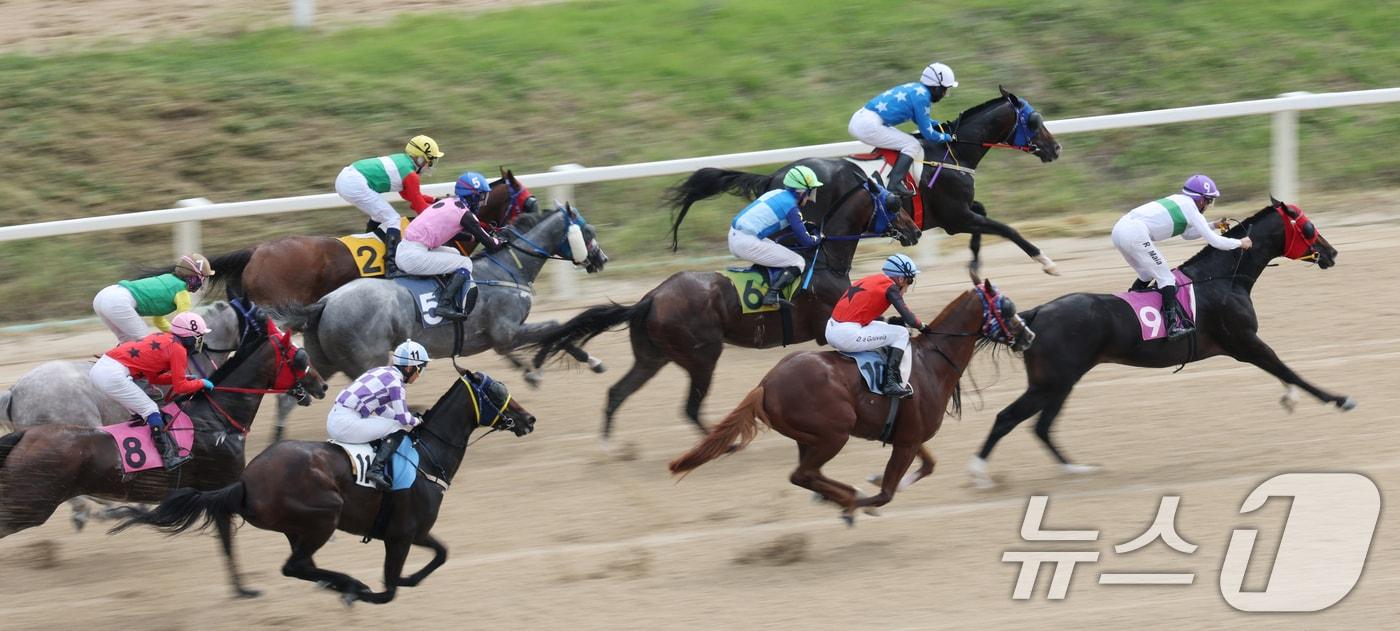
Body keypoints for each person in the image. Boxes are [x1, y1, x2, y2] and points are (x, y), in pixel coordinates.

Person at [1111, 174, 1252, 339]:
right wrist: (1240, 243)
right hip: (1134, 233)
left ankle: (1133, 307)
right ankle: (1173, 327)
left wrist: (1214, 225)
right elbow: (1215, 242)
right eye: (1209, 201)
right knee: (1167, 278)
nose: (1208, 205)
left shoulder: (1180, 200)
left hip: (1119, 230)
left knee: (1147, 274)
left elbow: (1187, 234)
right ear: (1201, 200)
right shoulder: (1191, 208)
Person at [88, 312, 214, 470]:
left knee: (144, 410)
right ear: (189, 337)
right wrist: (200, 383)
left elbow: (154, 379)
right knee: (151, 409)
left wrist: (185, 378)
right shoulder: (178, 349)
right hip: (112, 374)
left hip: (104, 368)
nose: (200, 341)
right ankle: (168, 457)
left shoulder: (164, 337)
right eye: (199, 337)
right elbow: (180, 387)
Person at [396, 171, 504, 319]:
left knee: (454, 253)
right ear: (472, 196)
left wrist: (471, 237)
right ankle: (443, 306)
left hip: (408, 249)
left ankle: (443, 290)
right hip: (413, 255)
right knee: (465, 263)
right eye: (481, 197)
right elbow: (491, 244)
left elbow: (445, 230)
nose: (482, 202)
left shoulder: (449, 202)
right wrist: (502, 240)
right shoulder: (465, 214)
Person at [326, 339, 430, 491]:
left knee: (389, 423)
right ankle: (376, 469)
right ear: (409, 368)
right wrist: (419, 421)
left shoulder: (381, 372)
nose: (420, 375)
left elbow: (381, 410)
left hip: (338, 417)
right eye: (420, 369)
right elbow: (403, 418)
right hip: (346, 422)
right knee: (397, 428)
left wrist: (409, 418)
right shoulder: (396, 383)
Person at [335, 135, 444, 276]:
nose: (430, 165)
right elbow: (419, 207)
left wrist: (435, 200)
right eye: (430, 161)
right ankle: (391, 265)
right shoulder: (411, 175)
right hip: (353, 183)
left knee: (379, 215)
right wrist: (441, 213)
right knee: (393, 219)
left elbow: (409, 195)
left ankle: (369, 242)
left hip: (347, 178)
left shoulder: (404, 163)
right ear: (420, 158)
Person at [848, 62, 959, 197]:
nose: (944, 94)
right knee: (912, 145)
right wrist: (948, 137)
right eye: (944, 90)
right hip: (867, 125)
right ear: (936, 87)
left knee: (907, 140)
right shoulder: (923, 97)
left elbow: (920, 120)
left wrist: (939, 126)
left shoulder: (917, 89)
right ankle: (894, 184)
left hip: (862, 119)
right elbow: (928, 134)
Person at [825, 254, 926, 399]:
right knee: (901, 333)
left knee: (886, 326)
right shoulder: (891, 288)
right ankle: (890, 383)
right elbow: (910, 319)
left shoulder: (873, 279)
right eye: (909, 281)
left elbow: (864, 310)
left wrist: (887, 321)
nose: (907, 287)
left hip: (832, 329)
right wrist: (923, 327)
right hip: (846, 335)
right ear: (901, 279)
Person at [728, 165, 824, 306]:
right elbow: (807, 242)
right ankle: (771, 295)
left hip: (736, 235)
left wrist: (809, 226)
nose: (810, 197)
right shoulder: (792, 207)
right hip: (745, 242)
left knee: (778, 250)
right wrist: (819, 237)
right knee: (798, 262)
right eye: (809, 192)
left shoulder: (777, 193)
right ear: (801, 192)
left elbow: (797, 223)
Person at [93, 254, 216, 343]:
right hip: (117, 301)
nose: (203, 282)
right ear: (193, 277)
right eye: (203, 278)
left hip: (104, 295)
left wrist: (172, 332)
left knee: (127, 342)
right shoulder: (182, 293)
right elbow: (184, 325)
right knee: (147, 343)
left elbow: (158, 321)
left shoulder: (168, 279)